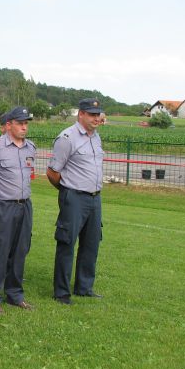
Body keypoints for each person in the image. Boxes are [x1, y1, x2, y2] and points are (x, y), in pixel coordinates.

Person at [46, 98, 105, 305]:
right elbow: (52, 172)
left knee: (91, 244)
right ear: (81, 114)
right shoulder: (67, 138)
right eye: (92, 115)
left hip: (94, 198)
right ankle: (61, 292)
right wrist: (67, 191)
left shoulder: (95, 137)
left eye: (98, 115)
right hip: (74, 197)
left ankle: (84, 287)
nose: (96, 118)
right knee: (67, 244)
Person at [0, 106, 36, 315]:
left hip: (24, 205)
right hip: (2, 205)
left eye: (26, 123)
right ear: (9, 125)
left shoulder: (31, 147)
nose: (24, 127)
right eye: (20, 123)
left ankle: (15, 294)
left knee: (20, 250)